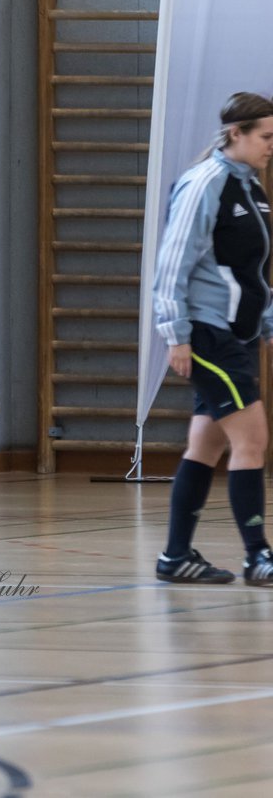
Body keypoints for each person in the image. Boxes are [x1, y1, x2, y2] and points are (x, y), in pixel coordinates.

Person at [151, 91, 273, 586]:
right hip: (207, 332)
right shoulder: (206, 184)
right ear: (236, 134)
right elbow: (172, 264)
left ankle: (176, 556)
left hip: (237, 333)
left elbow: (249, 269)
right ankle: (258, 556)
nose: (272, 146)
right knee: (253, 439)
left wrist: (264, 321)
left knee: (205, 444)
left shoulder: (252, 187)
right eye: (266, 137)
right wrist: (175, 334)